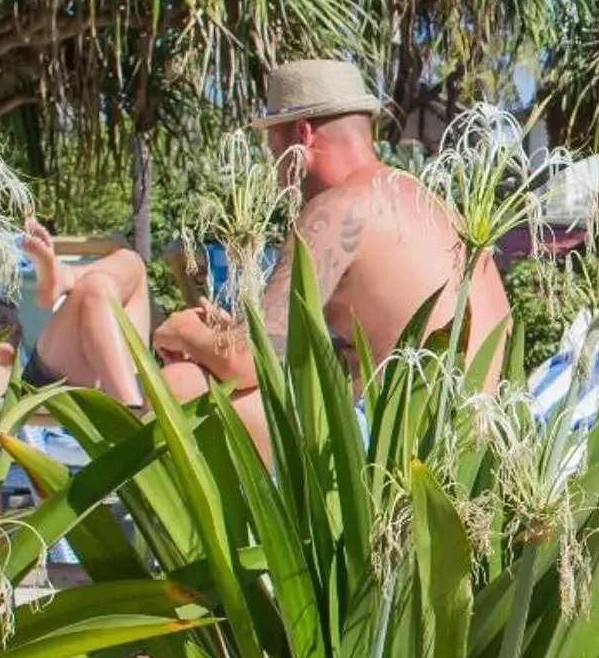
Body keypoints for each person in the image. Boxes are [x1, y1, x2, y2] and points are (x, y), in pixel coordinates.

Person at [151, 59, 511, 424]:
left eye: (272, 142)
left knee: (181, 385)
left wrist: (184, 330)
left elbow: (247, 360)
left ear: (301, 135)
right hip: (480, 437)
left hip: (412, 444)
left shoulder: (338, 209)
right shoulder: (431, 203)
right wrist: (228, 335)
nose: (273, 160)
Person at [0, 221, 156, 407]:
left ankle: (66, 275)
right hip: (33, 394)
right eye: (0, 321)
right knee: (99, 283)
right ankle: (131, 410)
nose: (13, 329)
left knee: (125, 266)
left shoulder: (23, 360)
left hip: (63, 379)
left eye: (16, 325)